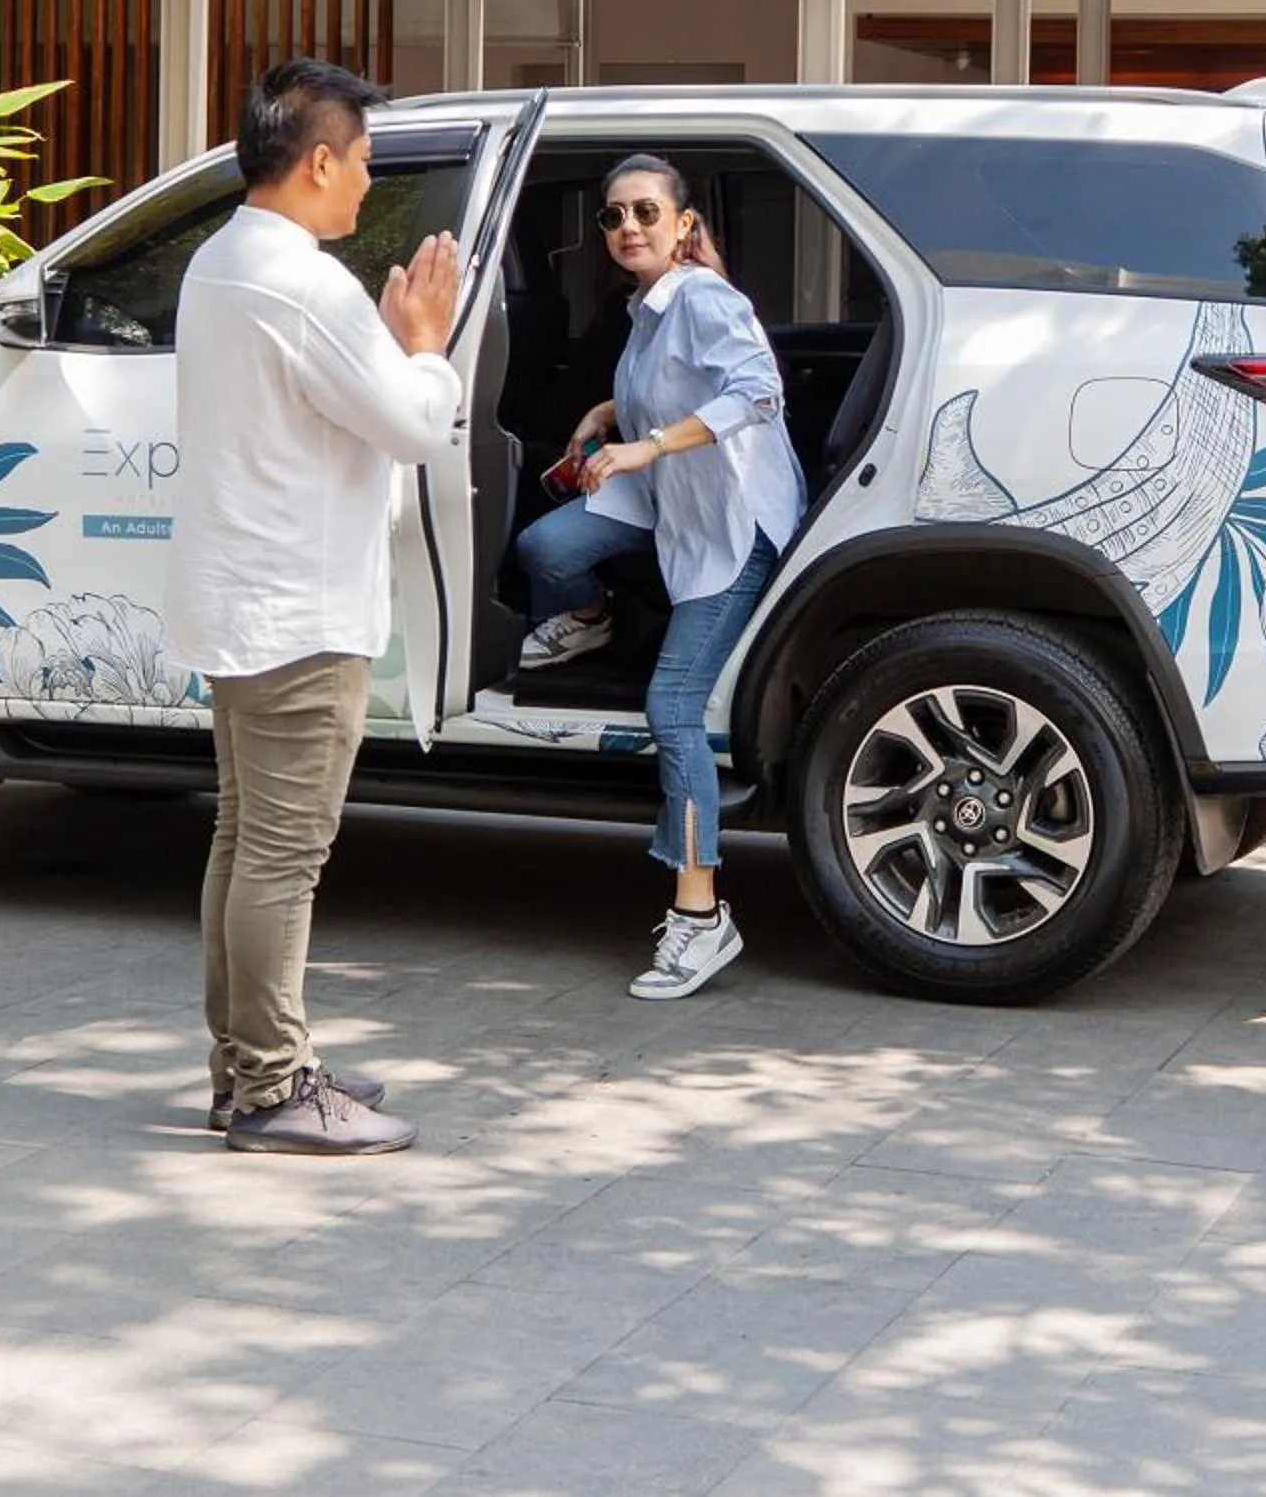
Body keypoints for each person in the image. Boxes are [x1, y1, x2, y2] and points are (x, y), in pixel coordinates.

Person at [167, 58, 463, 1156]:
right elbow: (415, 425)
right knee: (280, 859)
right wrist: (425, 344)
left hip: (245, 603)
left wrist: (386, 349)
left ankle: (246, 1066)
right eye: (365, 163)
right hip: (298, 610)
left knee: (246, 845)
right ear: (320, 159)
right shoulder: (304, 282)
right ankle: (269, 1087)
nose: (368, 186)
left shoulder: (222, 261)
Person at [515, 155, 806, 1000]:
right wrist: (611, 416)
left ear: (684, 225)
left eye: (646, 212)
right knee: (547, 550)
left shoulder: (707, 298)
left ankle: (700, 915)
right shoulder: (649, 306)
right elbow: (666, 387)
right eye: (613, 217)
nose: (628, 227)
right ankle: (596, 617)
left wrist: (643, 446)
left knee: (670, 708)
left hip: (729, 524)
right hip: (669, 497)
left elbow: (758, 393)